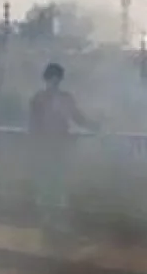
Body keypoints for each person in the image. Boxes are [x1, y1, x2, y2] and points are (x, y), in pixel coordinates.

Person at [27, 63, 96, 238]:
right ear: (47, 78)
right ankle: (49, 219)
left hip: (58, 147)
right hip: (46, 148)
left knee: (58, 185)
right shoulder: (39, 99)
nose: (55, 81)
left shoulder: (63, 98)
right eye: (52, 77)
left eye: (57, 78)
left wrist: (94, 126)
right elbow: (33, 125)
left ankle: (54, 220)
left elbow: (77, 117)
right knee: (48, 185)